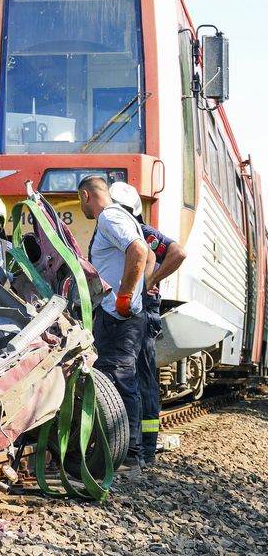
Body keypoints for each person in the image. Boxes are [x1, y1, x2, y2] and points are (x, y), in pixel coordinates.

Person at [110, 181, 187, 466]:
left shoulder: (142, 234)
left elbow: (179, 252)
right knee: (137, 377)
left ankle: (145, 450)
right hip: (132, 309)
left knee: (141, 377)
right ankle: (138, 448)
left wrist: (151, 281)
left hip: (142, 310)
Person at [77, 175, 149, 472]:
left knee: (119, 380)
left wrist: (125, 295)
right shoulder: (121, 216)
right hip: (119, 315)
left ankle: (130, 455)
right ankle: (130, 453)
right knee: (121, 379)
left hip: (119, 316)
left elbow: (140, 251)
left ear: (85, 196)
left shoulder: (108, 217)